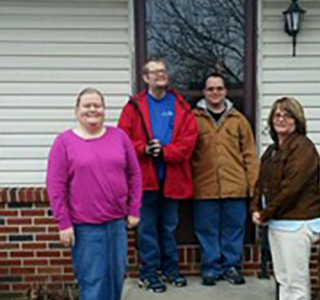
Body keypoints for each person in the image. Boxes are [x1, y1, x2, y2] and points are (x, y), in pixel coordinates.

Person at [46, 87, 142, 300]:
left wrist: (134, 209)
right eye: (86, 105)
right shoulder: (64, 142)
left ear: (104, 109)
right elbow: (55, 186)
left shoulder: (119, 137)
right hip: (85, 228)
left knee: (115, 281)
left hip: (117, 225)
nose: (92, 109)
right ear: (76, 110)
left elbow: (134, 174)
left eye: (97, 105)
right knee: (94, 284)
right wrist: (63, 223)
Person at [118, 58, 198, 293]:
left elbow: (189, 142)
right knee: (146, 230)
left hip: (172, 179)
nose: (160, 75)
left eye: (163, 71)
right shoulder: (133, 107)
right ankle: (149, 273)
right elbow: (122, 141)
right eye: (154, 72)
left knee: (169, 228)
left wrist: (165, 152)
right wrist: (143, 149)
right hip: (145, 181)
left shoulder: (180, 105)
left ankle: (171, 270)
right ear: (145, 78)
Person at [250, 96, 320, 300]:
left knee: (296, 283)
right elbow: (260, 184)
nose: (281, 119)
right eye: (277, 115)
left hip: (297, 223)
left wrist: (264, 214)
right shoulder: (272, 150)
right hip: (278, 223)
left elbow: (291, 189)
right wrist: (255, 207)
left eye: (287, 115)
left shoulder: (303, 148)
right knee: (283, 279)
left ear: (297, 120)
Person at [191, 73, 258, 286]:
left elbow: (249, 154)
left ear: (225, 91)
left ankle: (231, 267)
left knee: (234, 229)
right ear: (204, 92)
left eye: (219, 88)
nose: (215, 93)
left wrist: (253, 186)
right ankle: (211, 268)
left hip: (235, 186)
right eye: (210, 89)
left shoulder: (238, 120)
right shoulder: (193, 119)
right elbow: (187, 153)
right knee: (206, 230)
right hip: (203, 186)